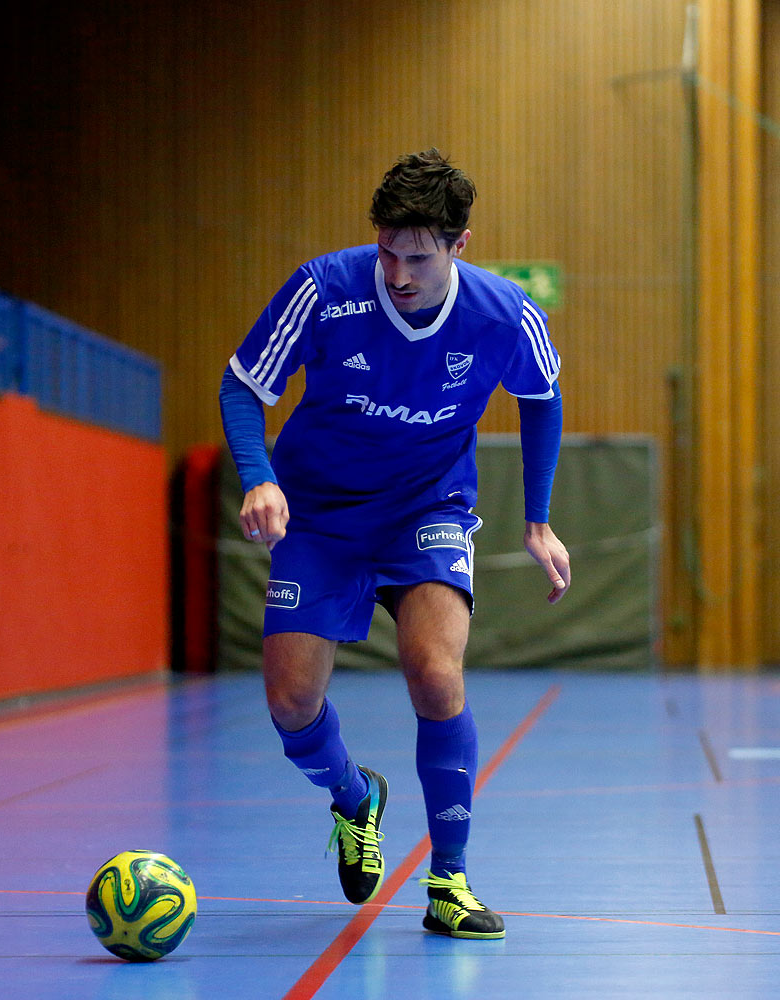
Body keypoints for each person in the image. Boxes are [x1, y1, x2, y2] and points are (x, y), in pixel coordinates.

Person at [218, 148, 570, 940]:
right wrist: (258, 475)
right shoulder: (324, 289)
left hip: (429, 506)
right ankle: (354, 797)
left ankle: (450, 881)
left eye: (417, 255)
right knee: (290, 705)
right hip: (321, 514)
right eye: (387, 250)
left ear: (459, 245)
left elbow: (541, 398)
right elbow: (243, 385)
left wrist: (538, 521)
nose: (399, 272)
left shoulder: (505, 315)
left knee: (435, 671)